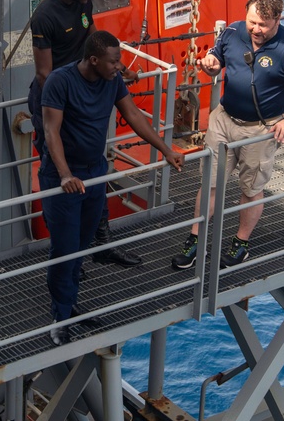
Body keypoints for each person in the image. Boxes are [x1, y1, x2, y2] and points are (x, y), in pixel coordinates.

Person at [40, 30, 184, 345]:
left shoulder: (111, 80)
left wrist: (166, 149)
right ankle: (60, 317)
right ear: (93, 60)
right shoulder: (60, 82)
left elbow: (133, 115)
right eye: (114, 61)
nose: (120, 66)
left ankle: (69, 305)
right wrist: (65, 175)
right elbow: (51, 131)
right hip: (62, 178)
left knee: (81, 244)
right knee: (64, 249)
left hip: (94, 173)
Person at [170, 0, 284, 270]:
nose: (256, 29)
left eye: (263, 24)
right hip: (224, 120)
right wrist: (211, 65)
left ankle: (241, 243)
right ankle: (195, 239)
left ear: (278, 20)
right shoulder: (232, 33)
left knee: (251, 189)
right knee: (210, 183)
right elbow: (216, 58)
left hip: (261, 129)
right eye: (252, 22)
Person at [29, 0, 142, 268]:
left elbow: (92, 39)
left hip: (82, 91)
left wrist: (117, 69)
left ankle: (101, 242)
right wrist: (78, 101)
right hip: (57, 101)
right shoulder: (44, 16)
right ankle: (67, 260)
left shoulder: (83, 3)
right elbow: (44, 74)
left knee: (93, 167)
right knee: (60, 172)